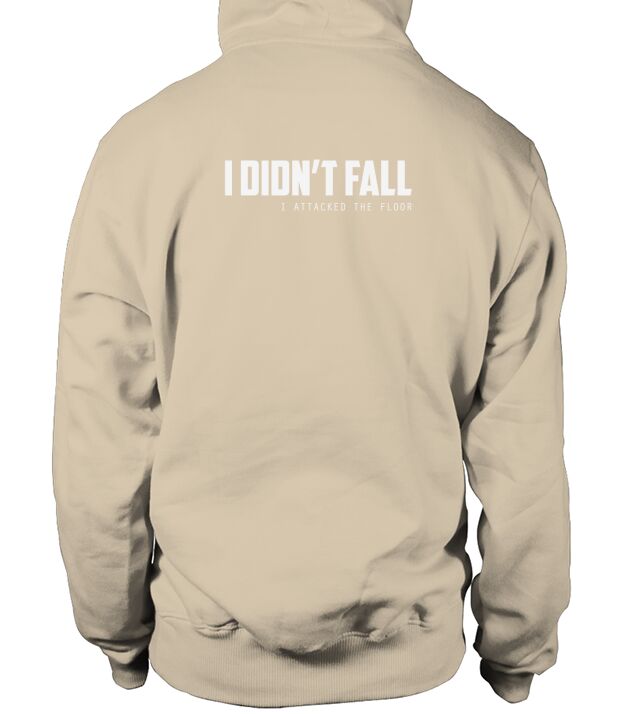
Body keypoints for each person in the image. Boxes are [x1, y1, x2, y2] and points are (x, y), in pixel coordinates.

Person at [52, 0, 571, 706]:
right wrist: (516, 647)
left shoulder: (141, 151)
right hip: (415, 659)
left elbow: (102, 427)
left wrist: (116, 629)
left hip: (201, 652)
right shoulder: (494, 155)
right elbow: (522, 446)